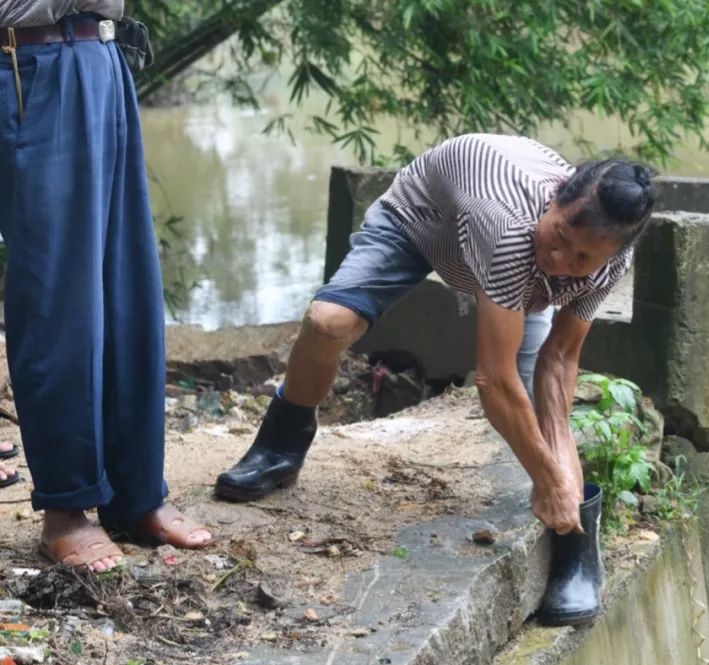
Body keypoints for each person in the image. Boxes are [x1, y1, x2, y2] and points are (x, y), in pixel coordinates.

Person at [216, 134, 654, 623]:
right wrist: (548, 478)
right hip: (423, 223)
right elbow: (492, 380)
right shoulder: (511, 224)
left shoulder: (610, 260)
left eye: (581, 260)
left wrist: (557, 474)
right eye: (560, 237)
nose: (561, 261)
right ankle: (281, 444)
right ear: (553, 197)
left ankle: (576, 550)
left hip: (512, 273)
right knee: (328, 322)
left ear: (610, 256)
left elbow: (560, 362)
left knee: (544, 416)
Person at [0, 2, 212, 573]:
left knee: (127, 288)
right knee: (59, 297)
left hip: (100, 56)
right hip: (28, 61)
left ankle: (136, 495)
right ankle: (67, 511)